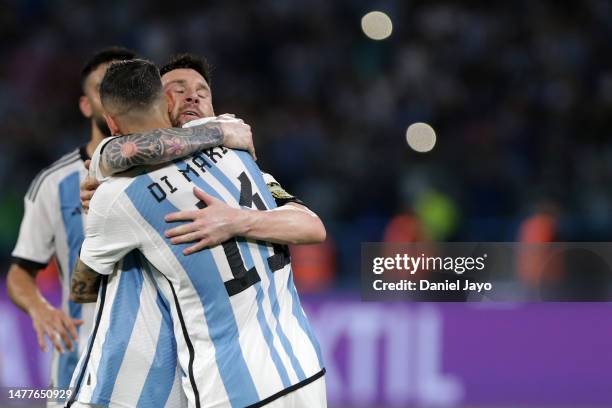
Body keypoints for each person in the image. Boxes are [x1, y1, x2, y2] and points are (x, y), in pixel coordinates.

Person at [70, 59, 326, 408]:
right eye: (178, 90)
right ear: (161, 103)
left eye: (202, 93)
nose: (192, 98)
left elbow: (312, 225)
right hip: (297, 369)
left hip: (230, 385)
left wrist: (236, 220)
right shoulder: (233, 148)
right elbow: (115, 152)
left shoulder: (239, 159)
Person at [6, 47, 136, 396]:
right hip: (81, 364)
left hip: (161, 361)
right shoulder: (54, 184)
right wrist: (40, 308)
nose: (114, 96)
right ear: (84, 105)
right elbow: (21, 270)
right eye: (102, 88)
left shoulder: (170, 171)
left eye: (122, 85)